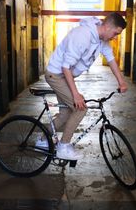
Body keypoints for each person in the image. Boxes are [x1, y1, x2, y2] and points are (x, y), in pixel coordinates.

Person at [42, 12, 128, 160]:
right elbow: (66, 67)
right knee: (80, 109)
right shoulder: (82, 35)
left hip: (64, 76)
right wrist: (75, 94)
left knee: (65, 113)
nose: (115, 37)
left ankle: (43, 139)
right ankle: (63, 147)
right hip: (56, 75)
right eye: (115, 33)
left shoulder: (101, 40)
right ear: (107, 27)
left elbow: (111, 60)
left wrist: (121, 81)